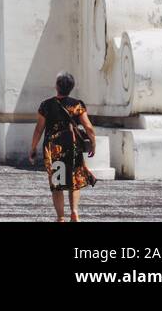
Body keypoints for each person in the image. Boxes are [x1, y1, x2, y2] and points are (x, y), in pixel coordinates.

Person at [28, 71, 98, 222]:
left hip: (53, 149)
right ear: (71, 87)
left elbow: (39, 129)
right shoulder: (77, 104)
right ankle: (74, 212)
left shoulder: (46, 105)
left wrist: (33, 148)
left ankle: (60, 217)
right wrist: (93, 143)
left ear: (56, 86)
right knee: (74, 179)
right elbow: (89, 127)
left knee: (58, 182)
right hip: (72, 146)